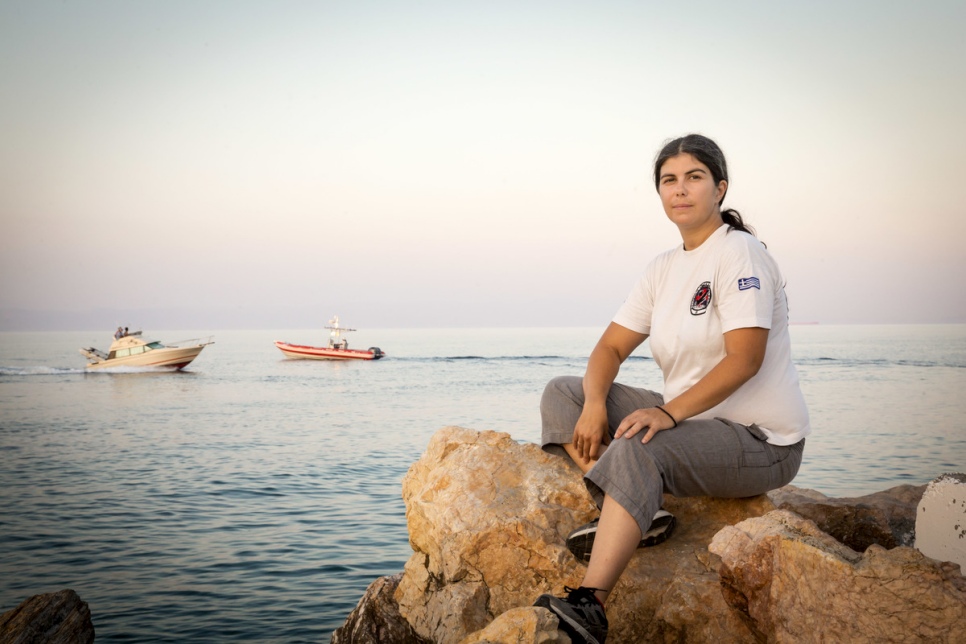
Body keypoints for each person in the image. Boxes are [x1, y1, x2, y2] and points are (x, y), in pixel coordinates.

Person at [533, 134, 810, 644]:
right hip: (692, 418)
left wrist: (669, 414)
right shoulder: (663, 267)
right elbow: (609, 350)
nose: (680, 190)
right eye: (668, 180)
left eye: (694, 177)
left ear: (720, 188)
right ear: (659, 193)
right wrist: (596, 404)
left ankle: (590, 605)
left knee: (643, 444)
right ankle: (642, 507)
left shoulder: (740, 254)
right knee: (563, 393)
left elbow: (745, 359)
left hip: (760, 438)